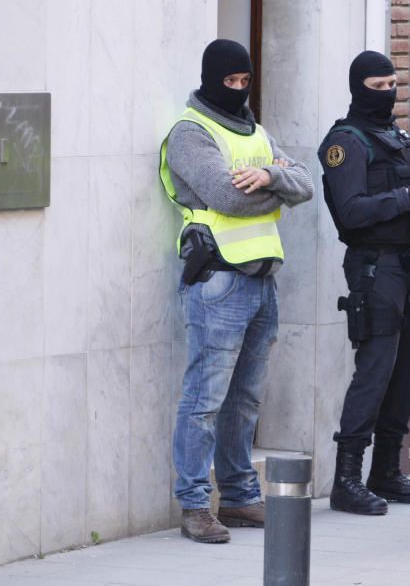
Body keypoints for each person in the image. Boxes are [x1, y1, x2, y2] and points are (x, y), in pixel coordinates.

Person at [160, 39, 314, 543]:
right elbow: (226, 196)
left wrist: (268, 174)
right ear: (210, 79)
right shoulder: (189, 133)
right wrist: (278, 193)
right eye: (230, 81)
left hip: (261, 280)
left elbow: (306, 181)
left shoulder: (254, 130)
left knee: (245, 400)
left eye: (245, 81)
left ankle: (241, 496)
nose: (239, 88)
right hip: (218, 281)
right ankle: (194, 505)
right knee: (205, 399)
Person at [318, 50, 410, 516]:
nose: (387, 93)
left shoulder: (394, 136)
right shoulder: (346, 143)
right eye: (377, 86)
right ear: (358, 88)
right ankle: (347, 480)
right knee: (374, 370)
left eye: (392, 84)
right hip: (376, 268)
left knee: (408, 369)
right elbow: (350, 212)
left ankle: (386, 471)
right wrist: (404, 199)